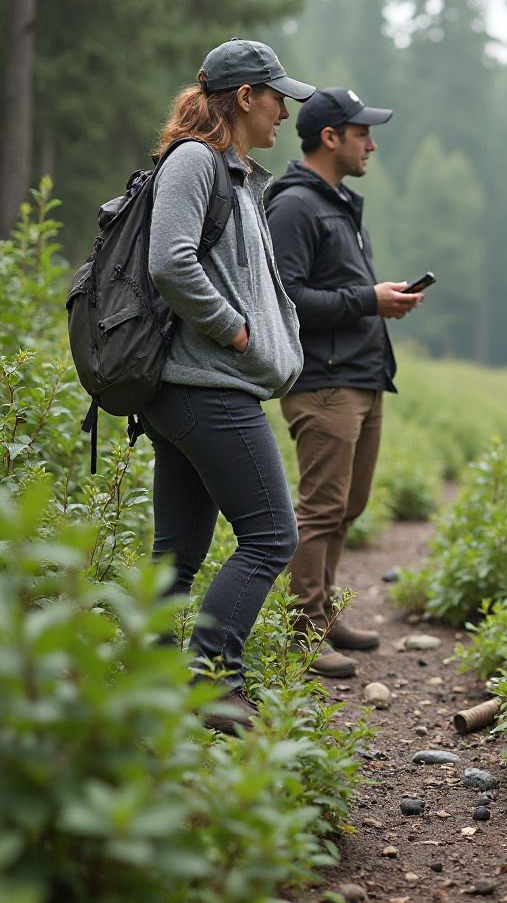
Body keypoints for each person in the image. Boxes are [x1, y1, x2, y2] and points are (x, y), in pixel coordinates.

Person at [145, 37, 315, 733]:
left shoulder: (239, 175)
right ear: (245, 97)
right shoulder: (194, 161)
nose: (284, 111)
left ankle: (156, 689)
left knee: (178, 554)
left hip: (197, 387)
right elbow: (169, 262)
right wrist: (238, 332)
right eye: (278, 97)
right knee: (272, 536)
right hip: (206, 385)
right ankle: (212, 680)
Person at [265, 88, 423, 678]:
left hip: (359, 377)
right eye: (363, 134)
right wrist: (368, 300)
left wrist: (377, 302)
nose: (372, 144)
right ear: (330, 137)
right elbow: (286, 299)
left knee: (349, 505)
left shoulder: (336, 203)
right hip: (324, 381)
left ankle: (324, 614)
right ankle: (304, 633)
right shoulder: (294, 207)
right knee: (322, 508)